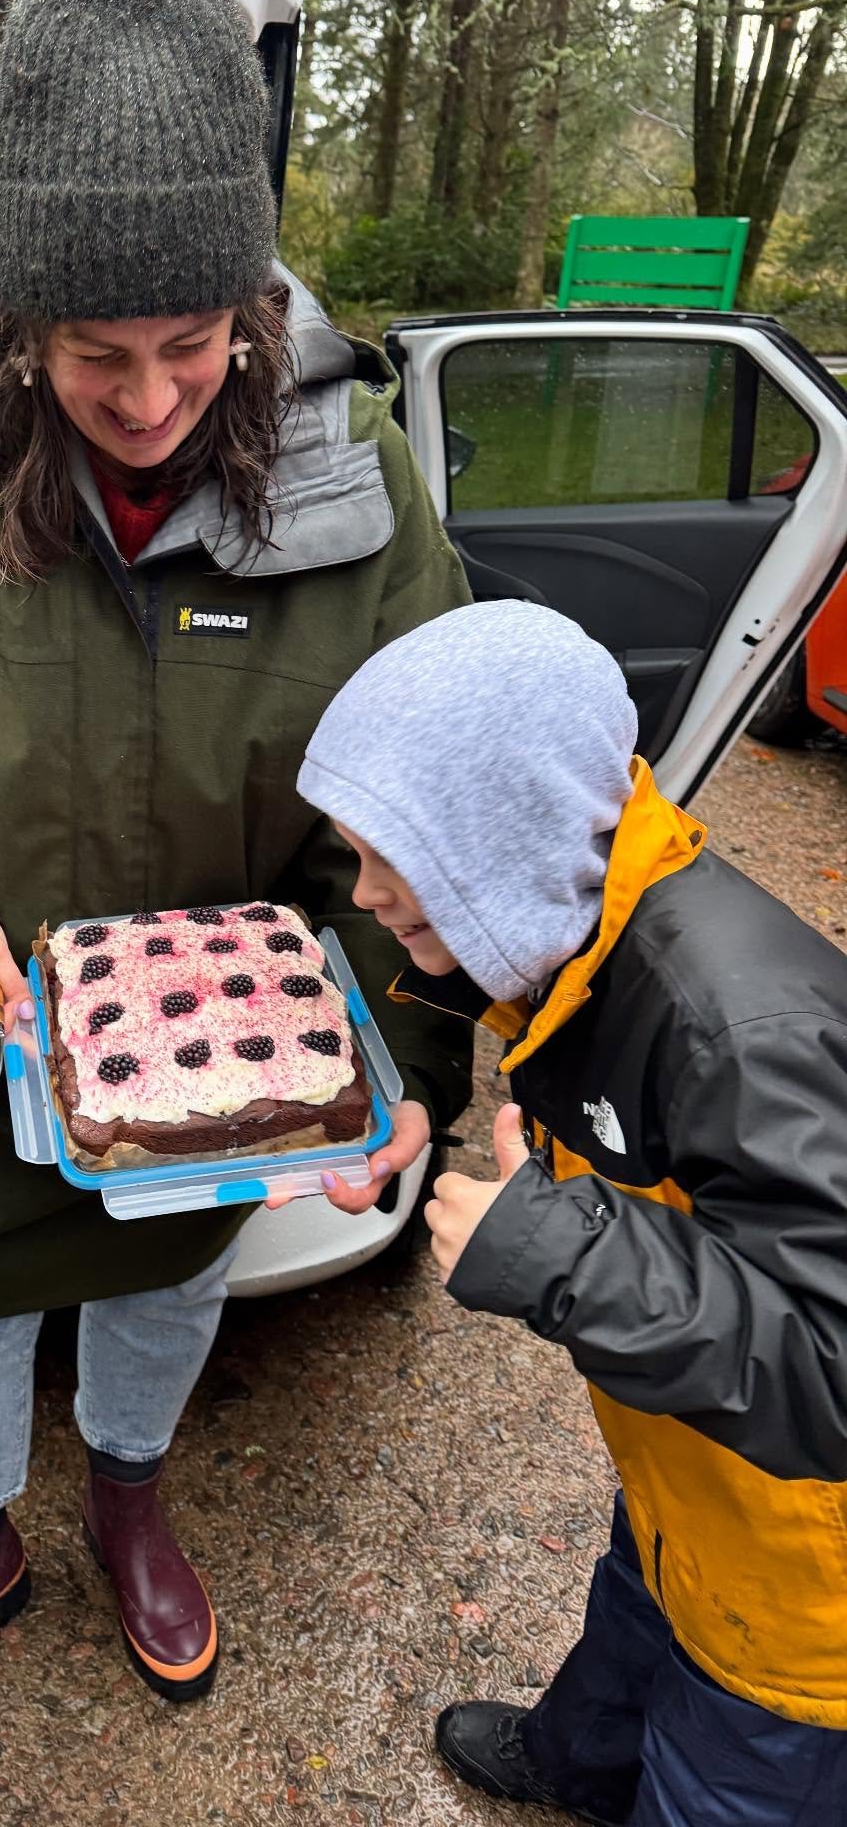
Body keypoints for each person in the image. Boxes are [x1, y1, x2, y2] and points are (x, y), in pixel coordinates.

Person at [0, 0, 473, 1729]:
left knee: (168, 1278)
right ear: (14, 324)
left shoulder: (357, 485)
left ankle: (133, 1497)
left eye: (195, 344)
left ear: (250, 304)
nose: (154, 399)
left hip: (228, 1072)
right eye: (97, 355)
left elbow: (425, 783)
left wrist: (373, 1046)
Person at [295, 599, 847, 1827]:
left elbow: (833, 1365)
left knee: (721, 1772)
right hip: (686, 1467)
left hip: (800, 1598)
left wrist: (548, 1246)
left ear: (504, 833)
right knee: (635, 1614)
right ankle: (584, 1764)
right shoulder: (575, 932)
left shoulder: (745, 1036)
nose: (367, 892)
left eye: (396, 858)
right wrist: (418, 1128)